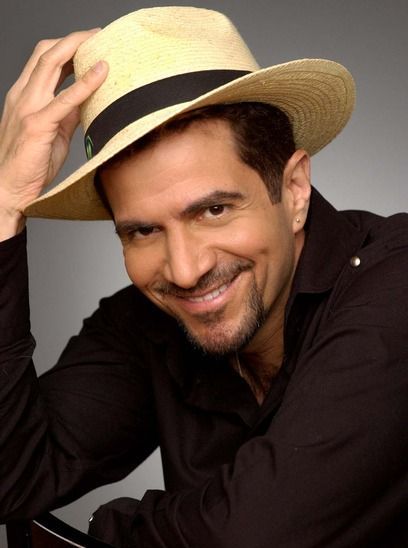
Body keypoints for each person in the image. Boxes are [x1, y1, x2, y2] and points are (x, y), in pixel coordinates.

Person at [0, 6, 407, 547]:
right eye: (143, 231)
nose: (186, 270)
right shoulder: (142, 324)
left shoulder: (396, 283)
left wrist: (108, 531)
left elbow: (255, 535)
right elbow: (11, 478)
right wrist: (3, 207)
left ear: (294, 190)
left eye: (214, 210)